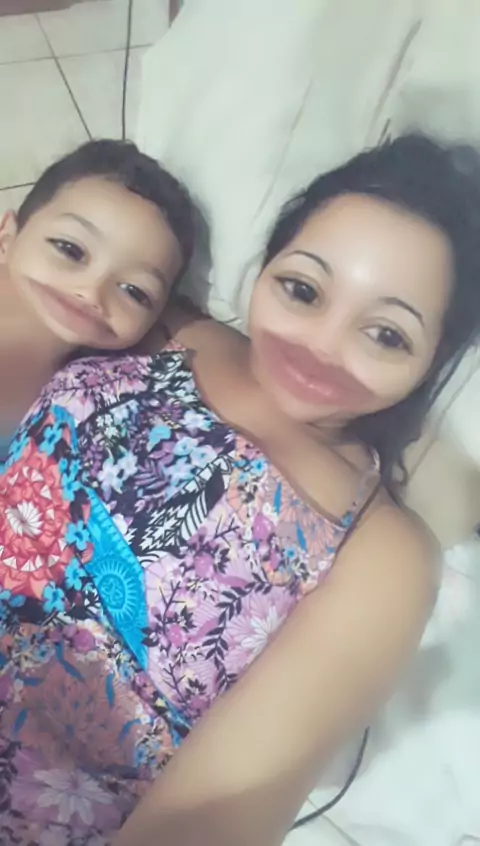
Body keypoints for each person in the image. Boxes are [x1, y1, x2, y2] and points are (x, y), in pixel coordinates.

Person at [1, 134, 479, 846]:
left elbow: (218, 815)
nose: (321, 344)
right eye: (303, 290)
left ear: (433, 358)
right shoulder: (153, 317)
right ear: (266, 269)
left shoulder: (386, 557)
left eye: (386, 334)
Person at [0, 139, 194, 458]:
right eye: (70, 250)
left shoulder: (88, 400)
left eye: (134, 291)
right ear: (6, 237)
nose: (92, 292)